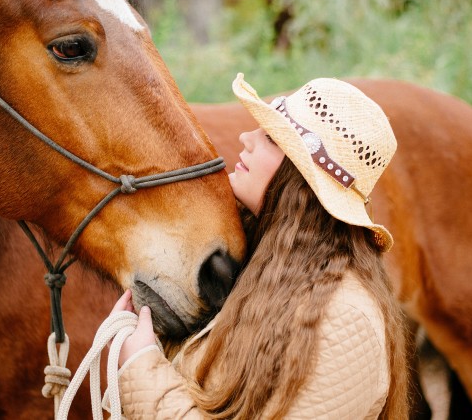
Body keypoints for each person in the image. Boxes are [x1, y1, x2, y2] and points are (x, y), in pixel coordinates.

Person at [110, 73, 409, 419]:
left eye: (270, 137)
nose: (246, 137)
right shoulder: (260, 265)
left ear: (300, 179)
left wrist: (140, 365)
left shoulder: (346, 321)